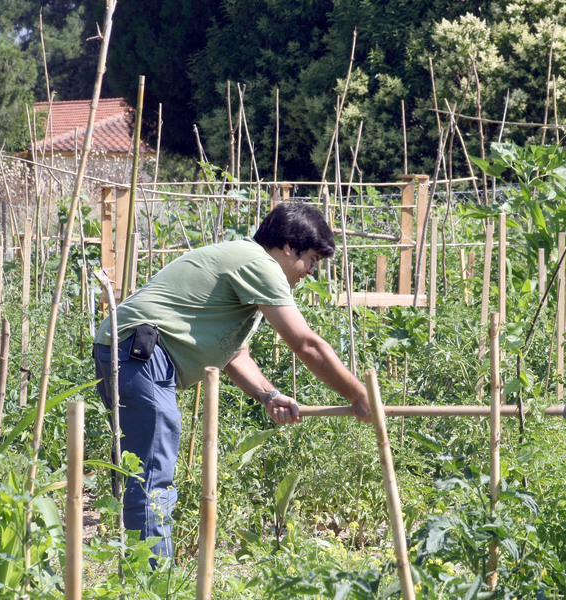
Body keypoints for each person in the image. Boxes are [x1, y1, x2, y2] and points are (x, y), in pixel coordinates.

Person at [92, 202, 371, 558]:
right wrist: (359, 394)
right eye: (312, 259)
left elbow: (235, 354)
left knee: (145, 471)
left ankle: (140, 573)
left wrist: (269, 395)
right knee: (150, 477)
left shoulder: (246, 263)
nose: (312, 271)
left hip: (134, 352)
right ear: (288, 246)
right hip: (139, 352)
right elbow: (306, 344)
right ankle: (151, 583)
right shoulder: (258, 262)